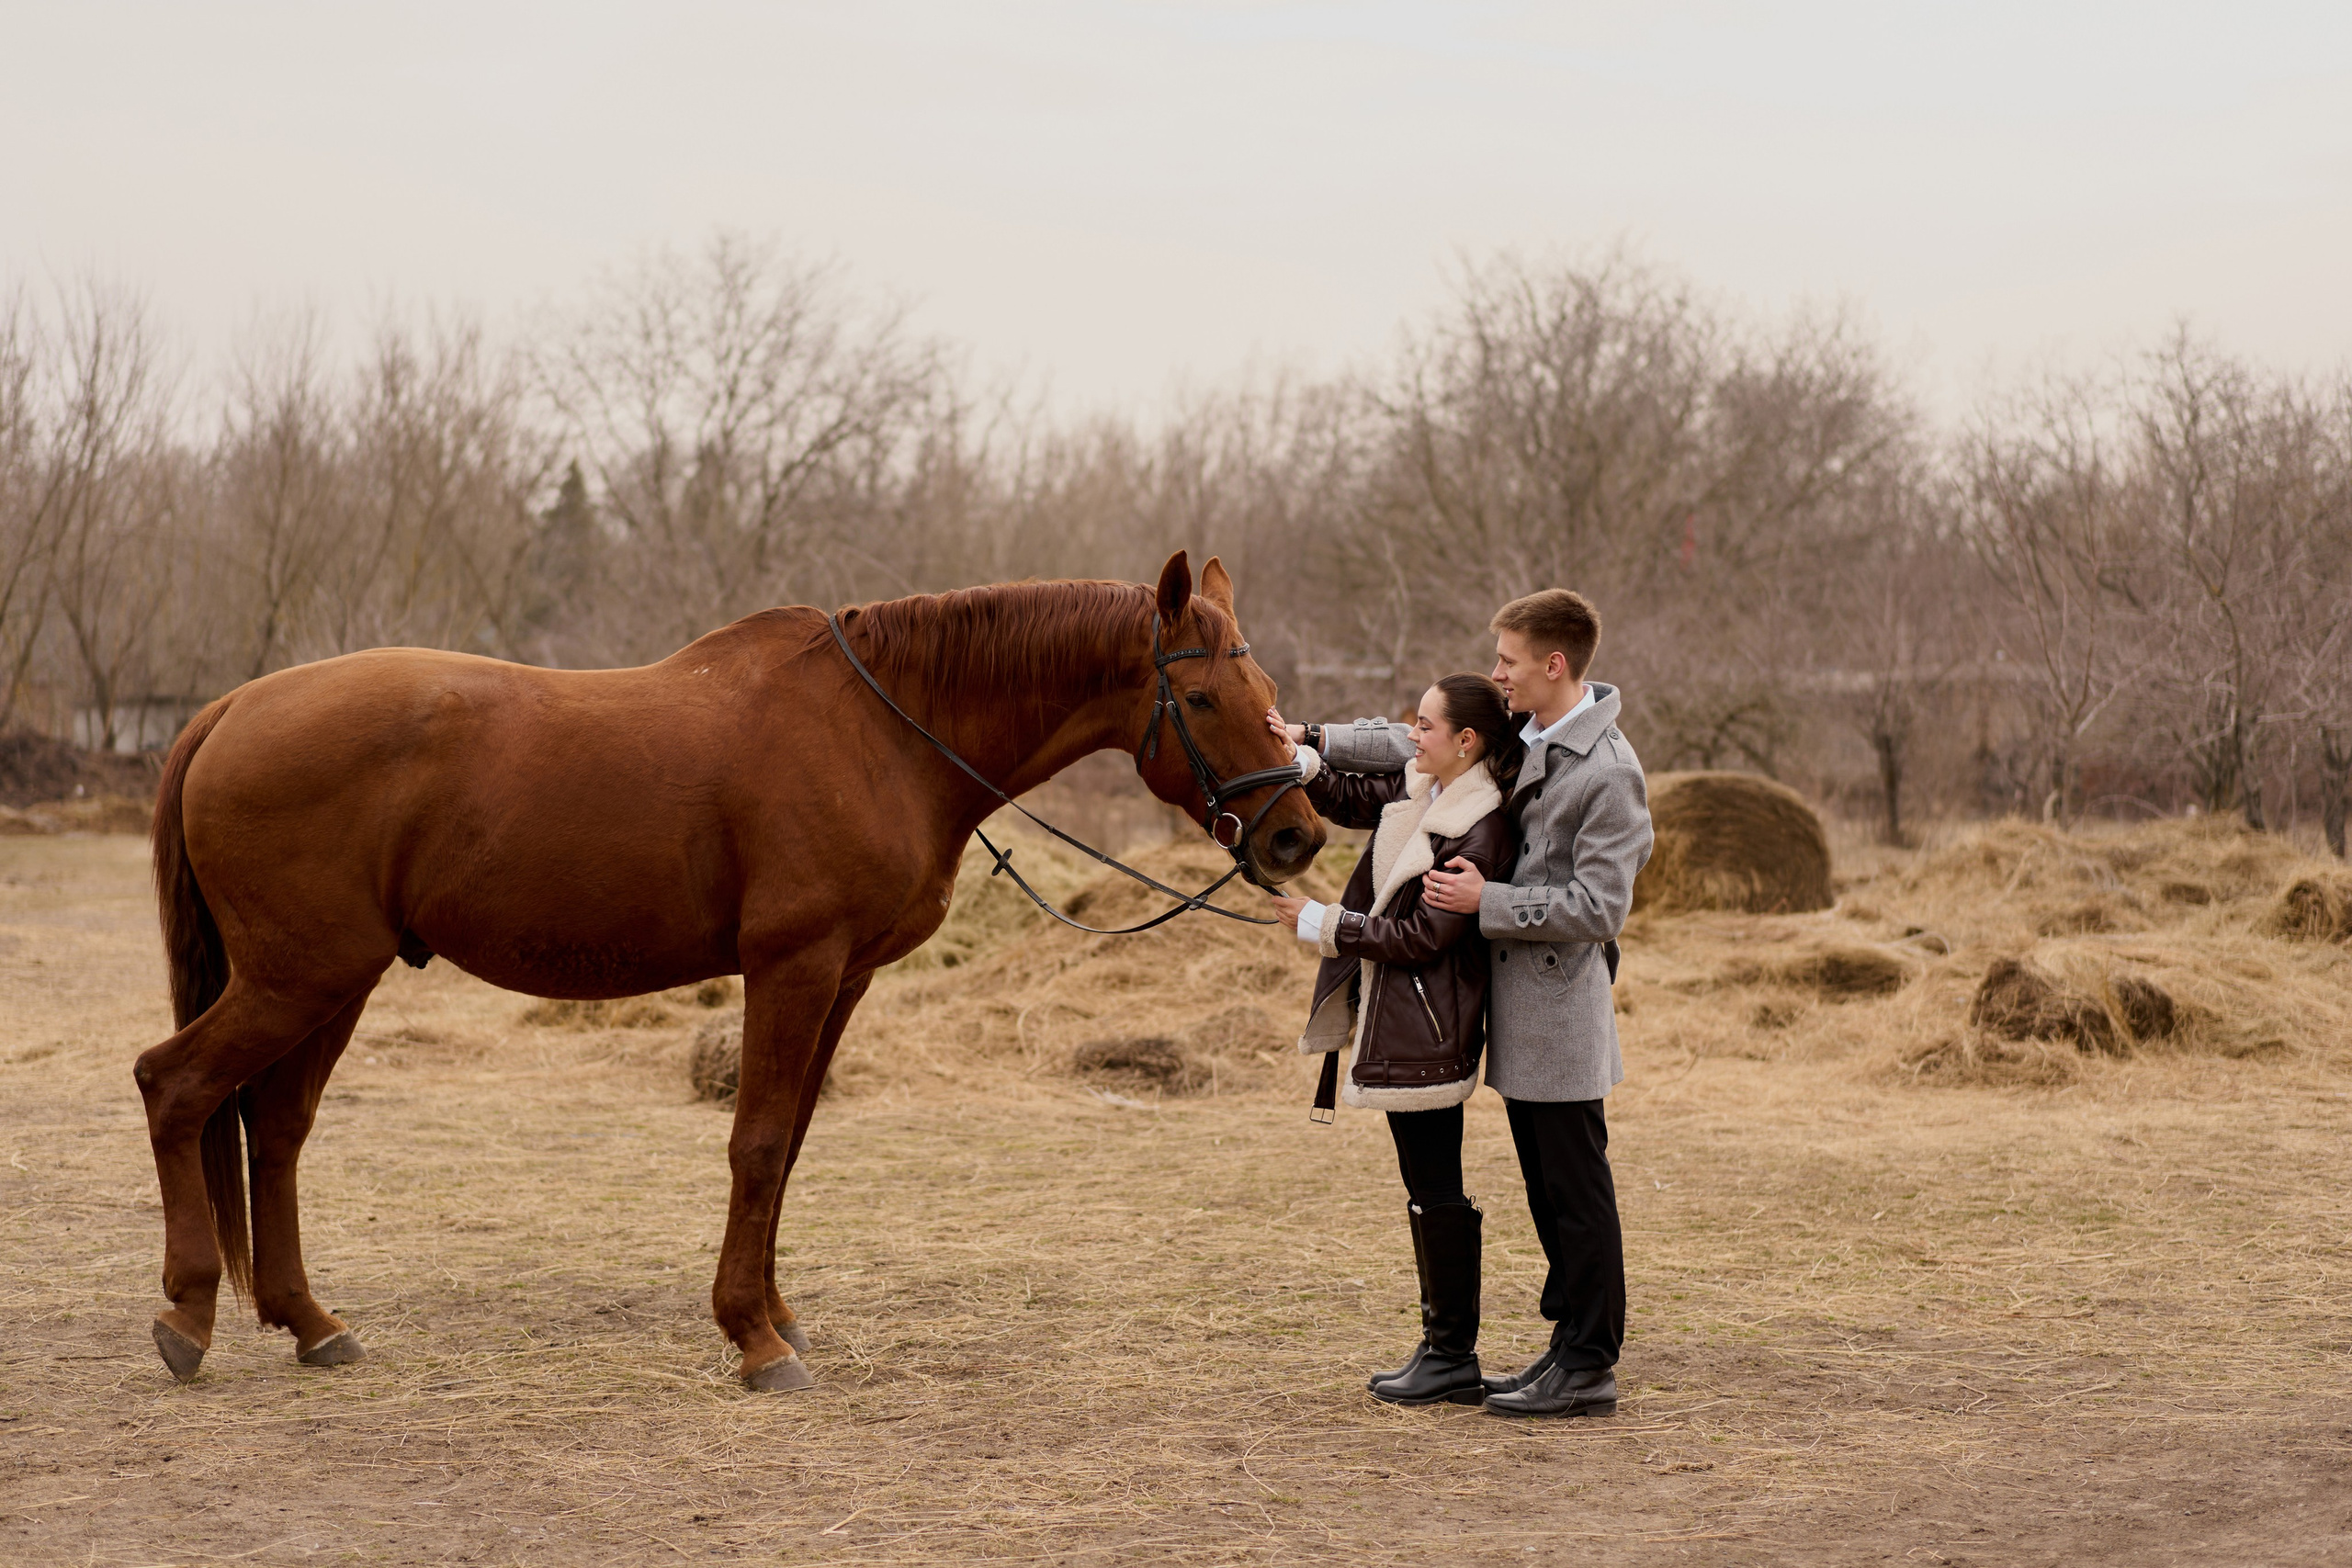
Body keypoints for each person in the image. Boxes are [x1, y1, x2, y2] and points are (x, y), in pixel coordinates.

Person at [1295, 590, 1651, 1419]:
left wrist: (1488, 902)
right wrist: (1311, 740)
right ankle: (1566, 1346)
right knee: (1543, 1188)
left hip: (1561, 1011)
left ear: (1553, 664)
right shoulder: (1526, 736)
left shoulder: (1608, 771)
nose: (1498, 673)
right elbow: (1409, 741)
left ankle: (1591, 1360)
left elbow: (1602, 905)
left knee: (1575, 1187)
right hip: (1516, 1010)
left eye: (1510, 661)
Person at [1262, 674, 1521, 1406]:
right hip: (1405, 1017)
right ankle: (1444, 1346)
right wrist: (1299, 759)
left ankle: (1451, 1353)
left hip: (1429, 1024)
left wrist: (1326, 924)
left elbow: (1423, 937)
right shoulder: (1429, 793)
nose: (1413, 734)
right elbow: (1353, 800)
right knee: (1426, 1185)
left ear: (1465, 741)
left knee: (1436, 1185)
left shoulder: (1480, 825)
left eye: (1426, 725)